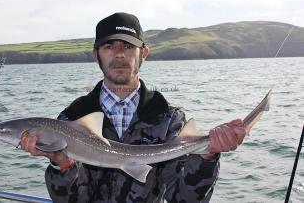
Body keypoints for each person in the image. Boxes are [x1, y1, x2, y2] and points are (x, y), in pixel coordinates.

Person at [20, 12, 246, 203]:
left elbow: (186, 199)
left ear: (143, 54)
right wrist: (62, 163)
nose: (119, 53)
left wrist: (206, 157)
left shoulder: (168, 118)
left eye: (128, 46)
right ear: (95, 54)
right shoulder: (73, 118)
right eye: (109, 46)